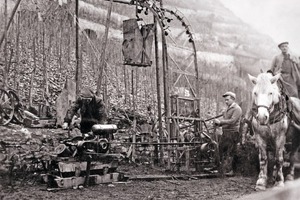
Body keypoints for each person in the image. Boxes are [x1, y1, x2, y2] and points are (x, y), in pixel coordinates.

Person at [213, 91, 242, 174]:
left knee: (231, 152)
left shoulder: (237, 109)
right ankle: (220, 169)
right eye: (225, 100)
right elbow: (226, 120)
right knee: (221, 150)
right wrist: (218, 124)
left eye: (227, 100)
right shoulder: (227, 109)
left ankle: (231, 171)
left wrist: (220, 122)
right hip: (225, 132)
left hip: (233, 133)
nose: (226, 102)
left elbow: (232, 121)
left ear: (233, 99)